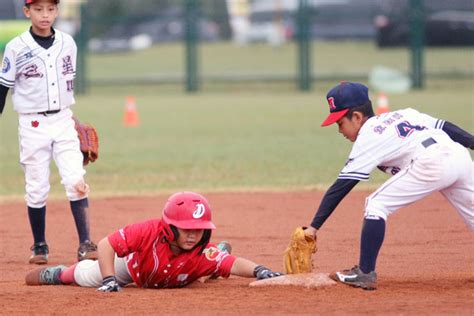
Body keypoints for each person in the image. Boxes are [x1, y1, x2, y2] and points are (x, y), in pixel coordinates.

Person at [304, 81, 473, 290]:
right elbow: (444, 126)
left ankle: (365, 273)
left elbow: (343, 185)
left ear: (356, 117)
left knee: (376, 204)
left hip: (432, 163)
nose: (340, 130)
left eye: (340, 123)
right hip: (459, 155)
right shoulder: (403, 114)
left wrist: (314, 226)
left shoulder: (368, 135)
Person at [0, 0, 97, 264]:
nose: (45, 15)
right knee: (36, 187)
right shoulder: (16, 47)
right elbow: (3, 86)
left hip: (64, 121)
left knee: (76, 181)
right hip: (32, 125)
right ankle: (40, 246)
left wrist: (70, 117)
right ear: (27, 11)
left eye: (51, 9)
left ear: (57, 11)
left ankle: (86, 243)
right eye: (39, 9)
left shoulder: (68, 43)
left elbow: (65, 86)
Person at [25, 192, 283, 291]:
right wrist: (109, 279)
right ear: (170, 228)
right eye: (187, 229)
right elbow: (106, 245)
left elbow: (235, 264)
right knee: (85, 276)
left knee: (208, 265)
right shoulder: (148, 231)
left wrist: (260, 270)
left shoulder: (199, 250)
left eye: (199, 230)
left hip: (180, 271)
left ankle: (215, 260)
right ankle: (59, 274)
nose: (194, 235)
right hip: (134, 269)